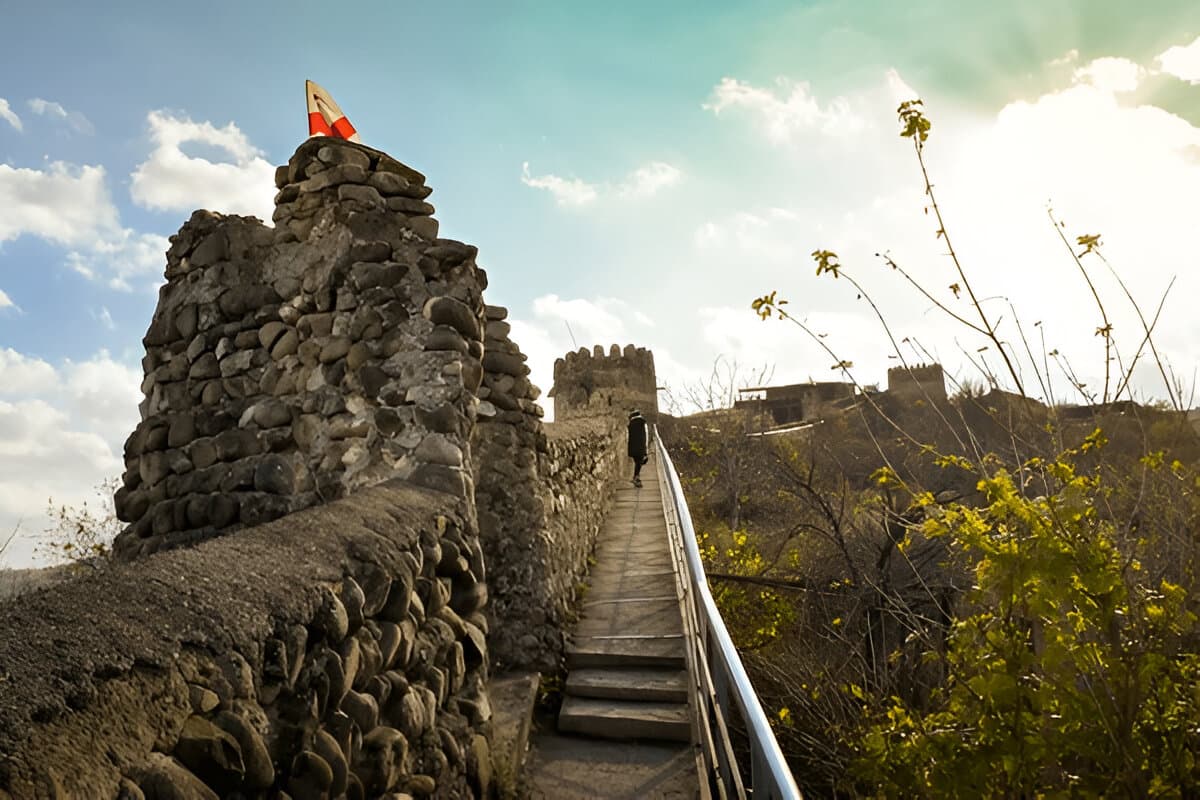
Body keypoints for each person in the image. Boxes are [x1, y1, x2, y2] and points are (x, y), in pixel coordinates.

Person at [627, 409, 648, 487]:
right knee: (639, 463)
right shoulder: (643, 422)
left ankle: (635, 477)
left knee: (637, 462)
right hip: (641, 447)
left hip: (632, 446)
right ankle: (636, 478)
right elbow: (646, 436)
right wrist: (646, 451)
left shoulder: (630, 424)